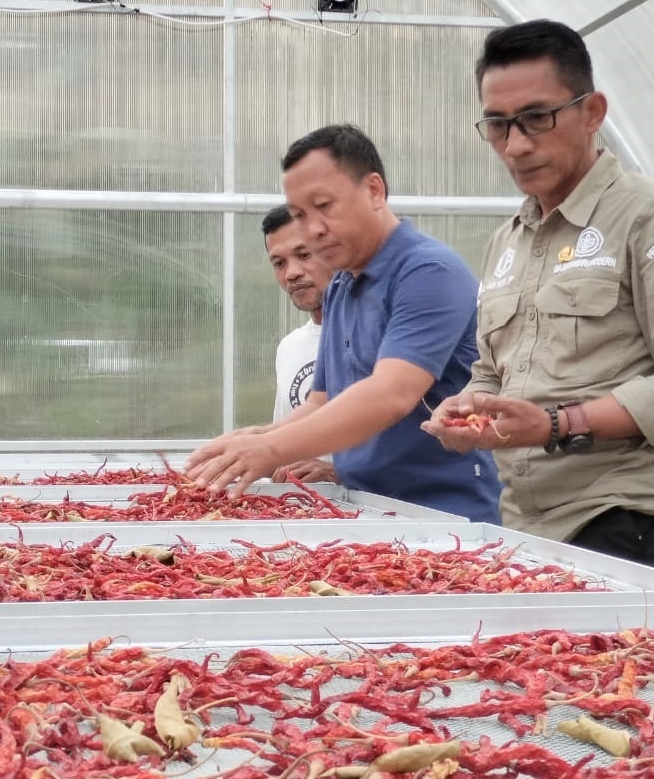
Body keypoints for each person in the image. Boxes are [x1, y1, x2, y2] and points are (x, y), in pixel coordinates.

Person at [423, 19, 654, 576]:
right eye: (498, 125)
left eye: (537, 118)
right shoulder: (507, 241)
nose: (516, 144)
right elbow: (494, 372)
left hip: (622, 519)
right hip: (524, 525)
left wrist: (556, 426)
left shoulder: (651, 215)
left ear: (593, 112)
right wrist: (470, 406)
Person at [187, 124, 502, 524]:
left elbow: (391, 394)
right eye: (301, 215)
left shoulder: (427, 271)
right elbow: (323, 401)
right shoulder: (341, 283)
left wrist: (272, 449)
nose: (314, 228)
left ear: (374, 191)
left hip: (442, 516)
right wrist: (257, 438)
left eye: (325, 206)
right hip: (363, 509)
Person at [261, 204, 338, 484]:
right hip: (308, 514)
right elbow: (283, 446)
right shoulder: (289, 347)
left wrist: (339, 473)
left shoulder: (378, 336)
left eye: (304, 255)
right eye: (278, 263)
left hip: (379, 514)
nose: (291, 273)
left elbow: (415, 448)